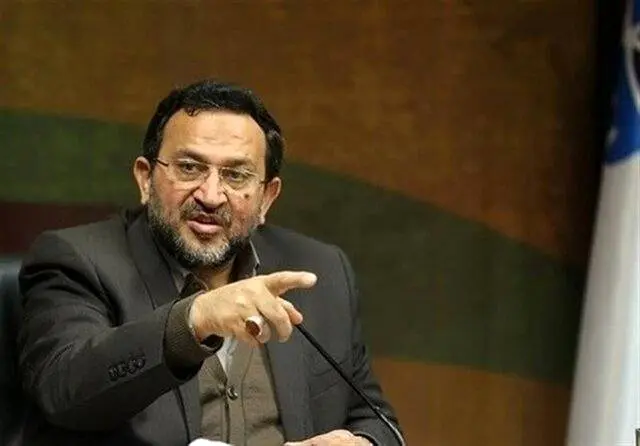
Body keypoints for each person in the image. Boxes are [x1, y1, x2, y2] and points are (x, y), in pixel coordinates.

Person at [16, 79, 402, 445]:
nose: (211, 195)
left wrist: (363, 441)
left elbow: (375, 418)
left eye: (236, 175)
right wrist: (195, 320)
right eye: (190, 168)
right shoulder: (77, 259)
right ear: (145, 179)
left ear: (267, 197)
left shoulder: (320, 270)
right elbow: (62, 390)